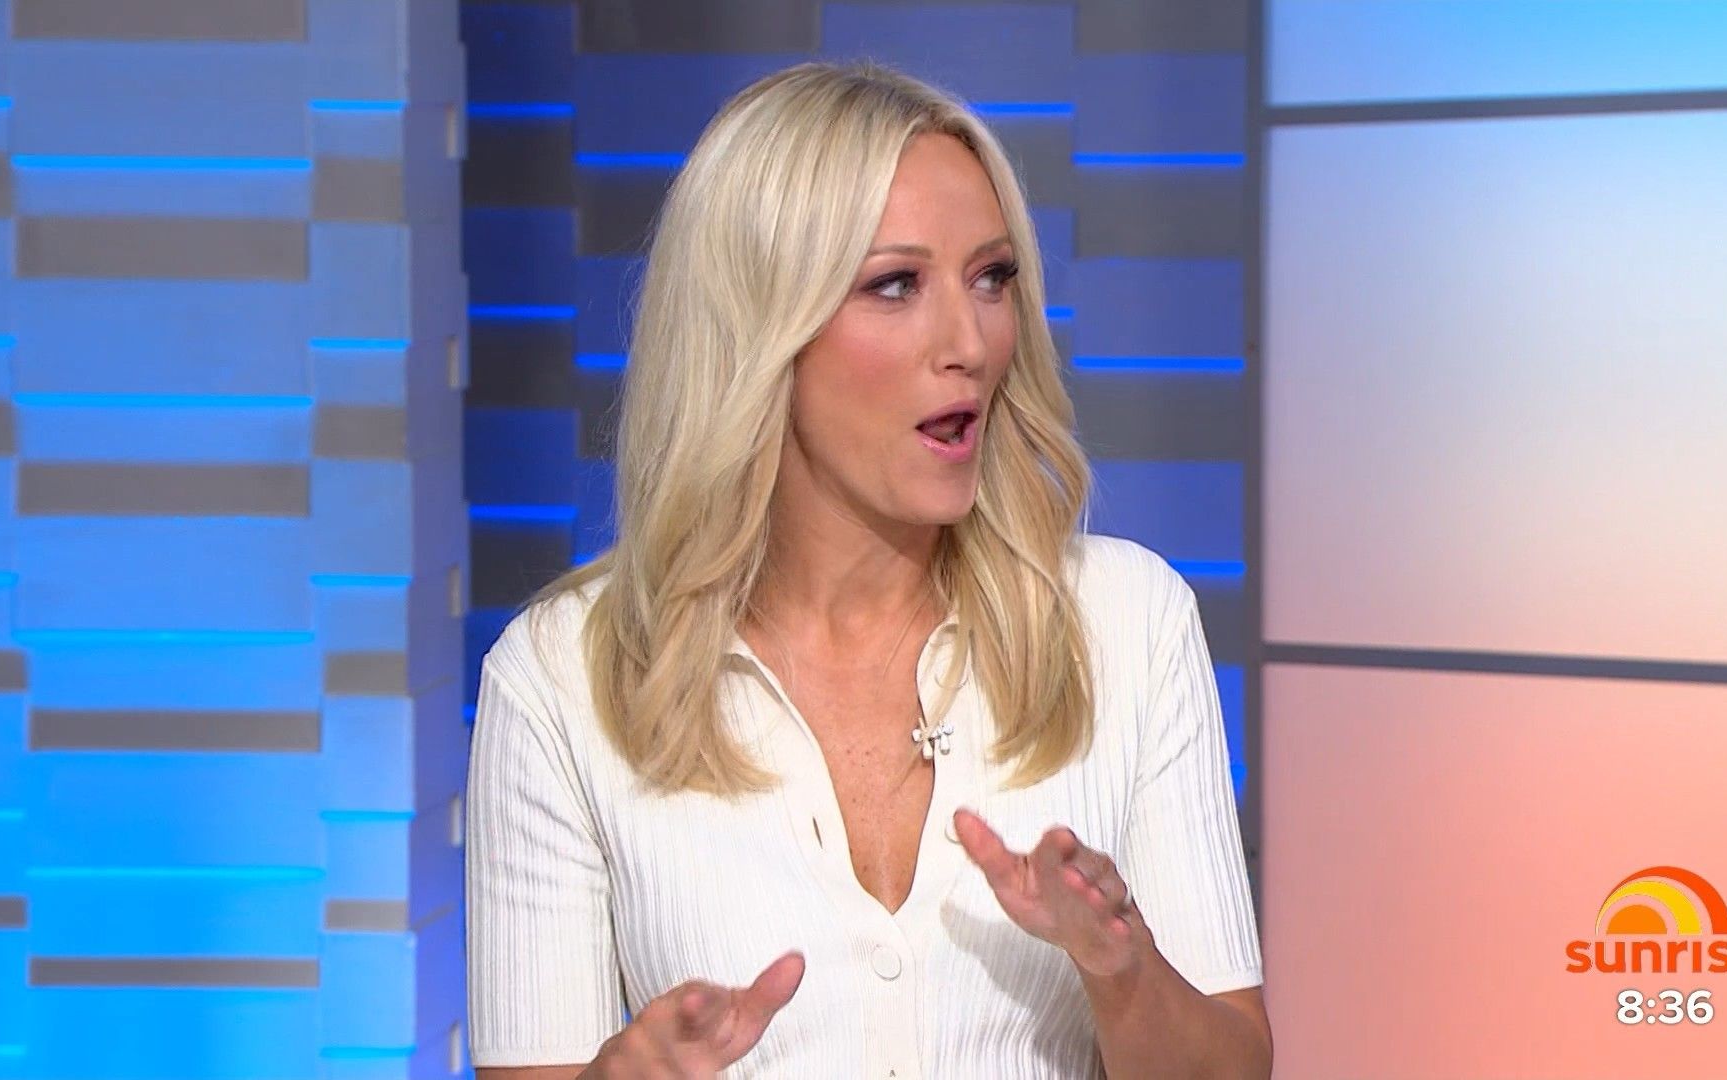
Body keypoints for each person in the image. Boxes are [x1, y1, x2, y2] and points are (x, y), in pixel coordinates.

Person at [464, 60, 1271, 1079]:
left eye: (991, 278)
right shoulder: (561, 680)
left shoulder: (1126, 622)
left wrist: (1122, 970)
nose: (969, 342)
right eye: (897, 285)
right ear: (760, 326)